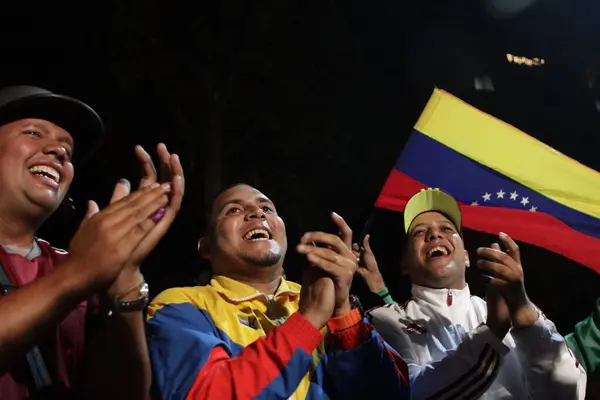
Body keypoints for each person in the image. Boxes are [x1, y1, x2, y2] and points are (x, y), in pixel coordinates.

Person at [0, 85, 185, 399]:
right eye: (33, 133)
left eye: (67, 150)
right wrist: (80, 272)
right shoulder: (80, 268)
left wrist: (124, 278)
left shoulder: (74, 265)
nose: (58, 151)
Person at [146, 183, 411, 399]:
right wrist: (306, 322)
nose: (256, 214)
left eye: (266, 208)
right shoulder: (181, 305)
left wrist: (343, 314)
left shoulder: (328, 303)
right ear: (205, 247)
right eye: (233, 210)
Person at [367, 187, 586, 399]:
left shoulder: (520, 316)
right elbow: (410, 392)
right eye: (420, 232)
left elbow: (569, 393)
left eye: (447, 229)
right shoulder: (385, 320)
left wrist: (523, 313)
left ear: (466, 256)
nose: (434, 234)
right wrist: (492, 333)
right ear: (405, 263)